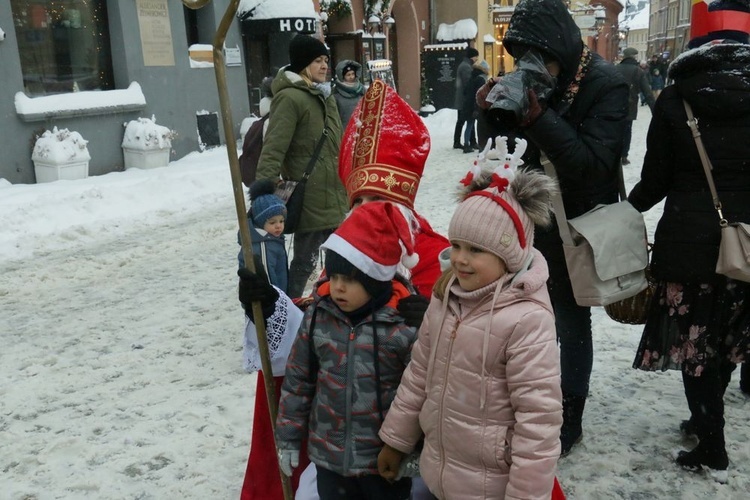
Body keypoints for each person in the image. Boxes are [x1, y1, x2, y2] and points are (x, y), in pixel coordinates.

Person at [237, 79, 449, 500]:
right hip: (338, 450)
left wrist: (436, 320)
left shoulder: (438, 254)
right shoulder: (347, 250)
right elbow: (315, 331)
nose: (367, 210)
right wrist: (270, 304)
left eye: (378, 200)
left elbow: (478, 345)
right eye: (360, 199)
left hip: (413, 451)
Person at [475, 0, 628, 456]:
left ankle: (569, 416)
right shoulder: (542, 81)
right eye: (523, 57)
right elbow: (515, 147)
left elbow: (592, 167)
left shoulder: (607, 84)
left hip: (577, 223)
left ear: (562, 44)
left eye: (543, 56)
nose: (536, 67)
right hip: (532, 216)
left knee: (568, 317)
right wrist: (495, 109)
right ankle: (527, 400)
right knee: (524, 318)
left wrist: (540, 116)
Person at [376, 138, 563, 499]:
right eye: (457, 245)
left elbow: (537, 423)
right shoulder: (447, 297)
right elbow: (419, 375)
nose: (460, 259)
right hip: (439, 472)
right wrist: (397, 440)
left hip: (492, 486)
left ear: (508, 255)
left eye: (476, 250)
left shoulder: (526, 320)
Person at [628, 0, 750, 482]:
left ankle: (710, 437)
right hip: (748, 244)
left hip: (688, 244)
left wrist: (621, 211)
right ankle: (707, 422)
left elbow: (655, 180)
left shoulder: (677, 99)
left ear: (698, 45)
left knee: (694, 345)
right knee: (727, 340)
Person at [275, 201, 419, 500]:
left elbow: (420, 395)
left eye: (350, 280)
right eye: (335, 276)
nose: (338, 287)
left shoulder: (402, 326)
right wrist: (288, 437)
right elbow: (298, 380)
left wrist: (413, 449)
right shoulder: (319, 317)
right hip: (330, 458)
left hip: (384, 462)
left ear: (375, 278)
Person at [256, 34, 348, 299]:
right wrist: (263, 197)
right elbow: (274, 148)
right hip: (310, 199)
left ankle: (330, 314)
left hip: (335, 195)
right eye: (317, 60)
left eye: (326, 60)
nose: (324, 66)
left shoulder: (322, 95)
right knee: (304, 264)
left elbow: (335, 145)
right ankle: (289, 312)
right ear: (302, 64)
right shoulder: (291, 98)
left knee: (340, 263)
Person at [238, 179, 288, 292]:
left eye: (281, 221)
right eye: (272, 222)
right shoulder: (262, 246)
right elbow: (266, 280)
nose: (278, 226)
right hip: (269, 302)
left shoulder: (272, 240)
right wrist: (275, 301)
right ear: (260, 222)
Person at [616, 47, 655, 165]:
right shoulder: (638, 71)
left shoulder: (615, 68)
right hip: (629, 105)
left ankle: (613, 154)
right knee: (627, 131)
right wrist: (655, 110)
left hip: (614, 105)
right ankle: (623, 156)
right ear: (633, 57)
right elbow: (647, 93)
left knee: (614, 129)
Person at [460, 60, 490, 154]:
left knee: (470, 124)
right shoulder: (481, 79)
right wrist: (477, 108)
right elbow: (480, 93)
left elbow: (466, 91)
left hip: (468, 104)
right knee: (477, 125)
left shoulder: (473, 76)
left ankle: (467, 144)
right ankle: (477, 145)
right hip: (475, 105)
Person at [453, 47, 479, 150]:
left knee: (463, 120)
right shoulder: (466, 67)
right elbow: (468, 84)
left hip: (462, 99)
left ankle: (461, 141)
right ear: (472, 56)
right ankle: (465, 142)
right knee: (466, 120)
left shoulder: (465, 65)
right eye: (476, 56)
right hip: (465, 100)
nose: (477, 58)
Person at [332, 60, 365, 128]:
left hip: (362, 129)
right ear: (343, 76)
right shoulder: (336, 93)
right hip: (345, 130)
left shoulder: (362, 89)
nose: (351, 77)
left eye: (353, 74)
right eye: (348, 75)